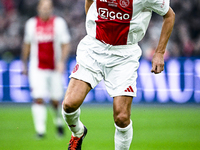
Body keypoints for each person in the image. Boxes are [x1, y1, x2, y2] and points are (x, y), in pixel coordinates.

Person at [62, 0, 175, 149]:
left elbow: (169, 15)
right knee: (69, 105)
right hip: (93, 49)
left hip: (124, 56)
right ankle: (78, 133)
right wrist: (93, 26)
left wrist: (159, 52)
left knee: (121, 117)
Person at [21, 0, 71, 138]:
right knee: (38, 97)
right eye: (43, 7)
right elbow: (27, 44)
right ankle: (40, 131)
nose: (45, 10)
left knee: (55, 100)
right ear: (38, 8)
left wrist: (62, 62)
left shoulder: (59, 23)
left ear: (51, 9)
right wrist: (24, 64)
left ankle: (58, 122)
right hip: (37, 67)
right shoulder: (31, 24)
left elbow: (66, 44)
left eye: (48, 7)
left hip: (54, 67)